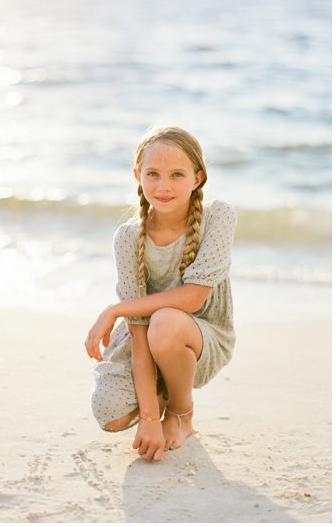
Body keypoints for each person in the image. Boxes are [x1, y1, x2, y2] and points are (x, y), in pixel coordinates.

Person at [85, 126, 237, 463]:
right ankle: (163, 391)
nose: (163, 185)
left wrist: (115, 309)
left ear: (198, 178)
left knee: (166, 323)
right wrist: (150, 419)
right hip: (147, 337)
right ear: (138, 175)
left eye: (177, 174)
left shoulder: (218, 216)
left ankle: (182, 414)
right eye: (152, 174)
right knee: (111, 415)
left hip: (200, 334)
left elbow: (194, 298)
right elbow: (138, 333)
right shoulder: (128, 237)